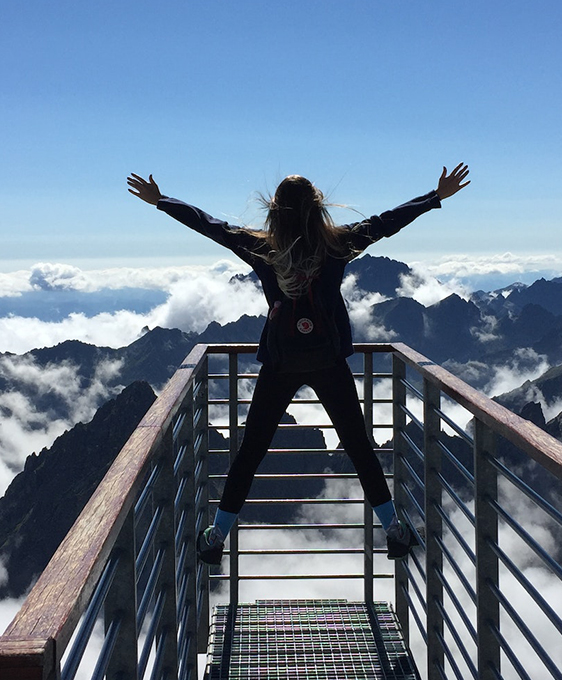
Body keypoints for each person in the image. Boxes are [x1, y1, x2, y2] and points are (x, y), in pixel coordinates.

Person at [127, 164, 470, 566]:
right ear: (317, 206)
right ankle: (394, 529)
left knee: (251, 450)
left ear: (275, 210)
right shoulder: (337, 245)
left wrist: (162, 201)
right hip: (328, 361)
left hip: (281, 363)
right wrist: (435, 196)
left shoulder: (261, 248)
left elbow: (211, 226)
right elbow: (386, 223)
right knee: (359, 447)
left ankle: (216, 535)